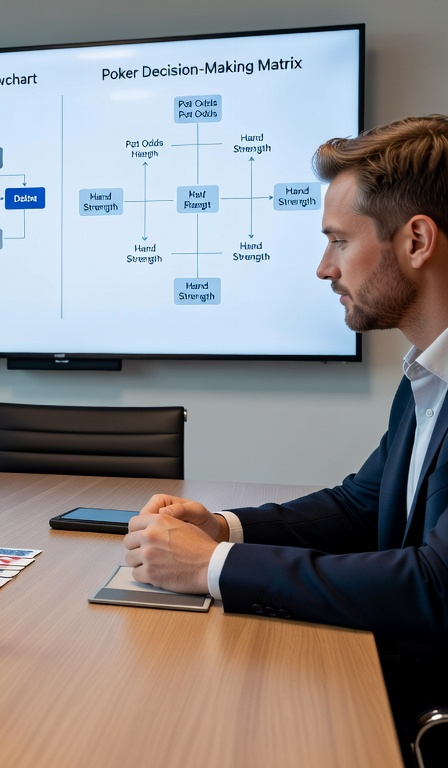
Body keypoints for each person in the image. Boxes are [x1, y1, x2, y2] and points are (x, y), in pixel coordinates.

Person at [122, 115, 448, 756]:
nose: (323, 268)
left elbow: (435, 587)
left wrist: (212, 566)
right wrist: (223, 527)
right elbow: (362, 504)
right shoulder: (427, 373)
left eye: (337, 241)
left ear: (415, 240)